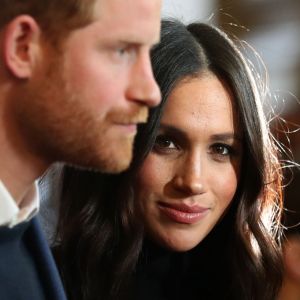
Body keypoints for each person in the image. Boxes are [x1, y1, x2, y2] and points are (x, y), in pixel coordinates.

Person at [53, 19, 284, 300]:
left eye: (221, 149)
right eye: (166, 143)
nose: (193, 182)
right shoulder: (41, 283)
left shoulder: (263, 284)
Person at [0, 0, 161, 299]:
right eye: (122, 51)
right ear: (24, 47)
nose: (151, 92)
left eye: (148, 54)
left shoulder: (18, 224)